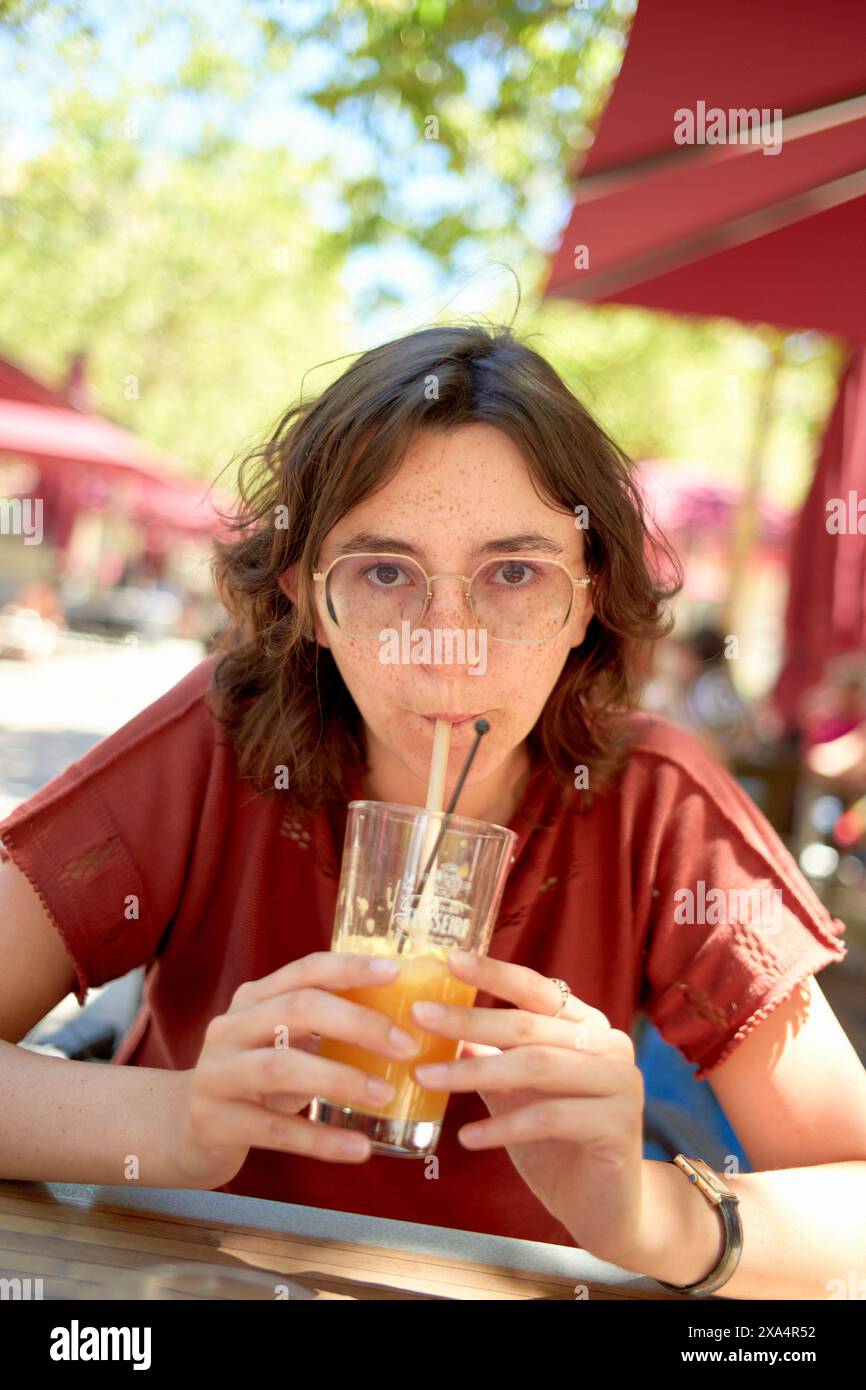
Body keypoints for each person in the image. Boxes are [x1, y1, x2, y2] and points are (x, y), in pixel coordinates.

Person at [1, 324, 865, 1300]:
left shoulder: (651, 805)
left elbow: (853, 1201)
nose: (446, 646)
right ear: (306, 601)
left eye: (511, 573)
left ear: (587, 598)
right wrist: (177, 1120)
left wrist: (645, 1213)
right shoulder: (218, 746)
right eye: (382, 573)